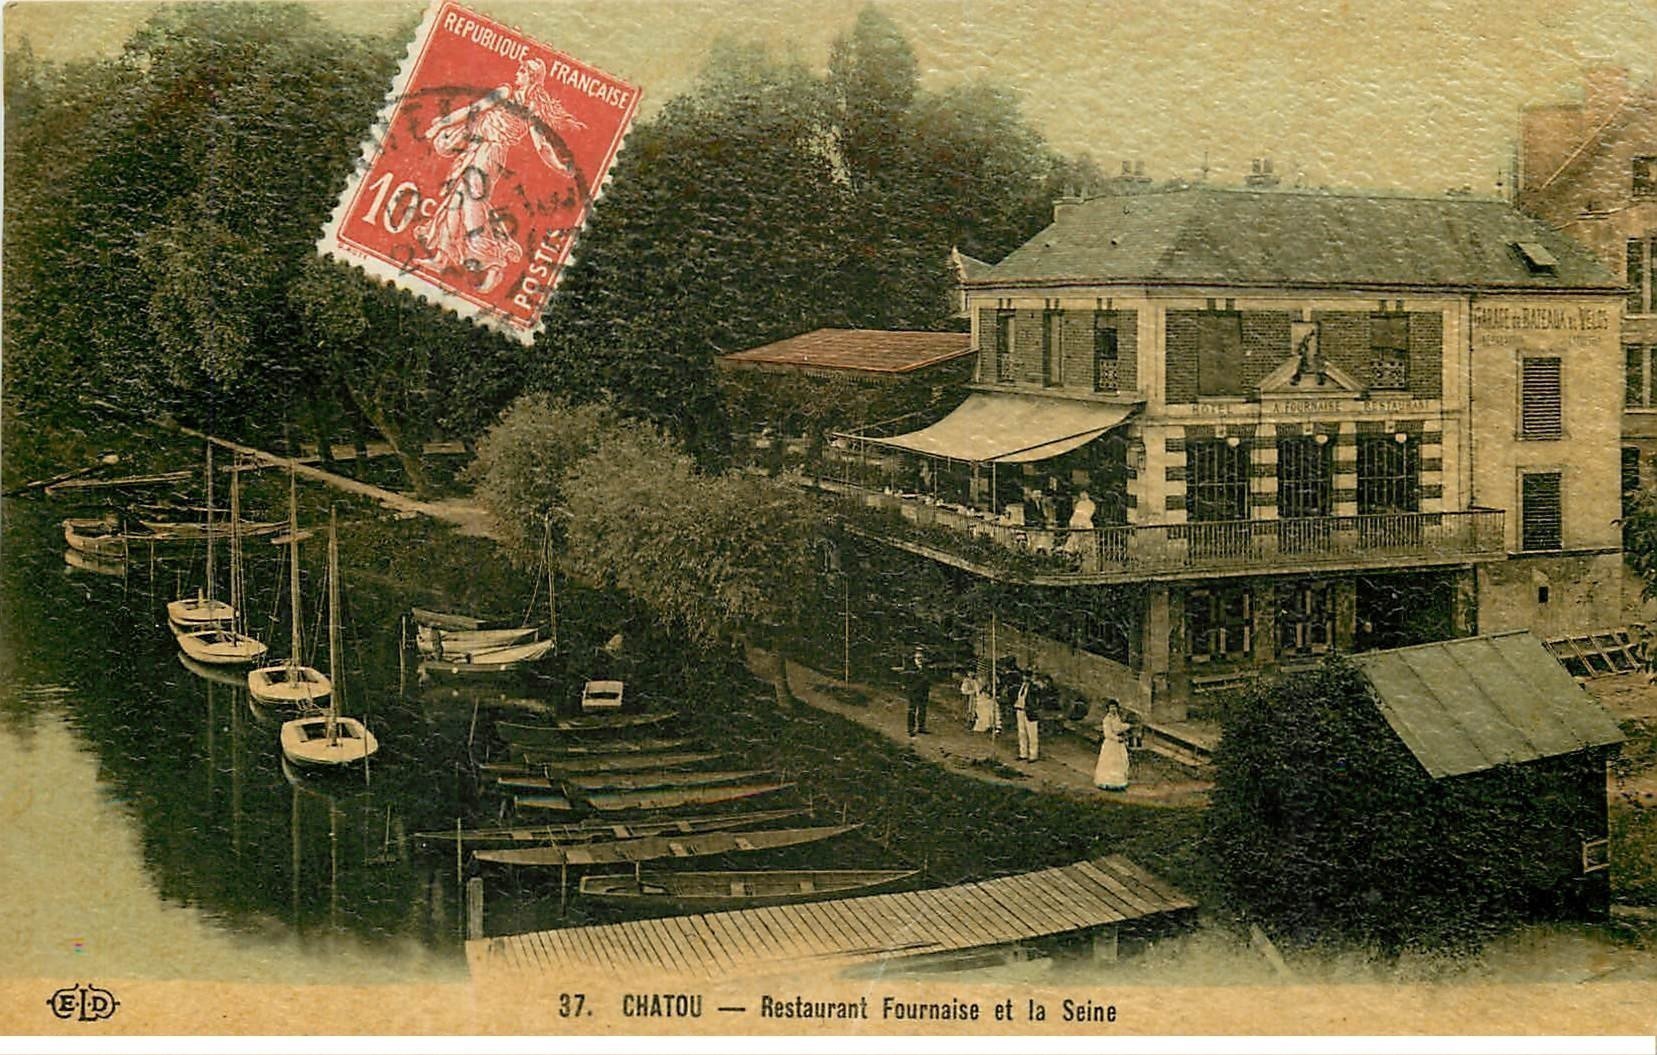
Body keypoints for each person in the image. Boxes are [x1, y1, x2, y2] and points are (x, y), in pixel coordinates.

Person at [412, 57, 587, 293]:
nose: (518, 73)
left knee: (473, 208)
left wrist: (561, 167)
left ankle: (494, 263)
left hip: (491, 154)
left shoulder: (532, 109)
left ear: (532, 78)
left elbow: (542, 145)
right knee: (456, 200)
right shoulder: (504, 92)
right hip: (477, 147)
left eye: (523, 71)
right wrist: (441, 124)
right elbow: (473, 110)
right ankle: (442, 257)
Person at [1095, 699, 1131, 790]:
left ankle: (1119, 783)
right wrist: (1118, 738)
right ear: (1108, 709)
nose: (1113, 709)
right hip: (1110, 744)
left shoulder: (1116, 717)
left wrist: (1128, 726)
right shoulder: (1106, 720)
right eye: (1111, 707)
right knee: (1110, 763)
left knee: (1120, 762)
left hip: (1118, 745)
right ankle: (1108, 782)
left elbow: (1118, 727)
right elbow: (1108, 734)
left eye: (1114, 707)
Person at [901, 646, 930, 737]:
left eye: (922, 656)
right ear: (914, 656)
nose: (920, 658)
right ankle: (911, 729)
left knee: (922, 709)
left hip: (923, 691)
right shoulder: (910, 666)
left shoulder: (925, 666)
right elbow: (904, 677)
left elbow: (929, 677)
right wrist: (905, 686)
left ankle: (921, 727)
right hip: (913, 690)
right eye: (918, 656)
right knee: (912, 709)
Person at [1014, 676, 1040, 762]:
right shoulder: (1021, 686)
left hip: (1029, 712)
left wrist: (1032, 708)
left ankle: (1033, 755)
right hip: (1020, 710)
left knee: (1032, 734)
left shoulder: (1034, 687)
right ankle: (1023, 753)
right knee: (1022, 733)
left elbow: (1037, 700)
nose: (1025, 678)